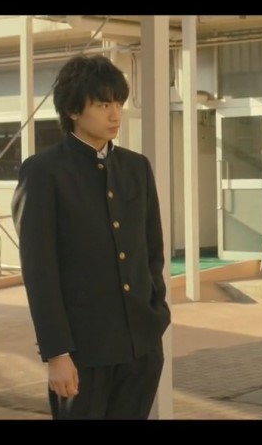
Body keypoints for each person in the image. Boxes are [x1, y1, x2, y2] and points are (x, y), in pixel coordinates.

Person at [11, 54, 170, 419]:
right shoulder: (43, 172)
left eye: (118, 104)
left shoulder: (136, 167)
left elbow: (152, 252)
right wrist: (57, 353)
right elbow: (39, 271)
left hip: (141, 348)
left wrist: (156, 314)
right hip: (82, 352)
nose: (115, 115)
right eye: (102, 105)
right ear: (73, 110)